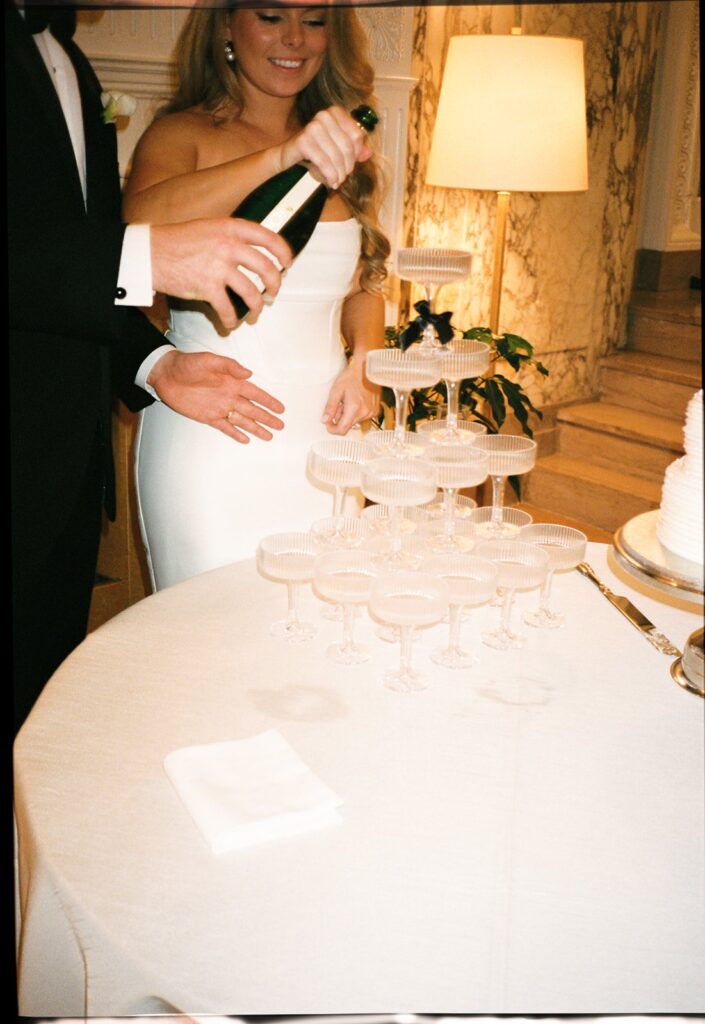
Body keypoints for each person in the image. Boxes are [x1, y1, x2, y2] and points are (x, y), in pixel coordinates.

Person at [8, 2, 297, 735]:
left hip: (62, 473)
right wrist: (144, 258)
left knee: (38, 725)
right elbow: (104, 252)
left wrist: (155, 362)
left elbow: (72, 252)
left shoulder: (68, 61)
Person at [123, 4, 390, 591]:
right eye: (271, 15)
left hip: (328, 444)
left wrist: (366, 359)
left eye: (315, 20)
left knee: (321, 631)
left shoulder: (345, 143)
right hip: (217, 436)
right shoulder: (181, 135)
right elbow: (135, 229)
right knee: (210, 640)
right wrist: (283, 156)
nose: (294, 38)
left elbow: (360, 284)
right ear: (224, 26)